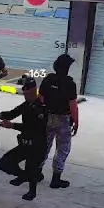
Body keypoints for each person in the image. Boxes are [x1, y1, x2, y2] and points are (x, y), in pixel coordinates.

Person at [0, 77, 51, 201]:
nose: (25, 93)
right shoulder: (26, 105)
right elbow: (12, 113)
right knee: (4, 163)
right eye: (24, 90)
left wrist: (12, 126)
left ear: (34, 90)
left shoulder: (42, 107)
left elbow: (34, 128)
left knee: (32, 167)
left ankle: (32, 190)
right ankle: (25, 176)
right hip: (25, 144)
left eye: (27, 91)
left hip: (37, 146)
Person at [38, 53, 79, 189]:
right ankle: (56, 179)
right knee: (62, 149)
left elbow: (40, 98)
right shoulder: (70, 83)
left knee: (43, 146)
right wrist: (76, 121)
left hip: (47, 117)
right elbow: (73, 105)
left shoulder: (48, 79)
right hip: (63, 120)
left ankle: (36, 172)